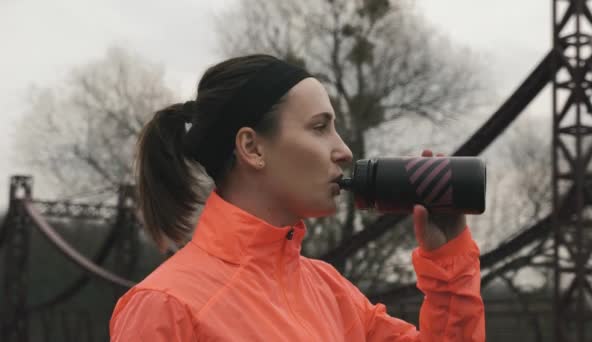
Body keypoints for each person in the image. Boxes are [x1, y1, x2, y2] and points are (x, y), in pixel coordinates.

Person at [109, 54, 485, 341]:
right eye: (320, 128)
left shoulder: (331, 291)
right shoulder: (167, 307)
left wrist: (449, 264)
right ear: (252, 147)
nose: (344, 151)